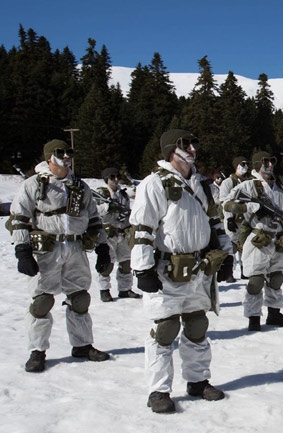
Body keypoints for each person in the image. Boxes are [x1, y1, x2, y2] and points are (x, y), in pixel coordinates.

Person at [129, 129, 227, 413]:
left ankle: (197, 380)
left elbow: (216, 224)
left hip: (198, 269)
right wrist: (143, 268)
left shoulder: (203, 185)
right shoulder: (154, 183)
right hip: (165, 271)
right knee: (165, 329)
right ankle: (158, 390)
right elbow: (143, 229)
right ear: (172, 149)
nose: (193, 149)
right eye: (186, 144)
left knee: (197, 326)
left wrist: (226, 255)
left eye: (195, 143)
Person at [9, 139, 111, 373]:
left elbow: (95, 219)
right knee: (42, 301)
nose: (66, 156)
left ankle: (82, 345)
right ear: (48, 158)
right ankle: (37, 351)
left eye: (69, 152)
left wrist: (102, 247)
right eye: (60, 153)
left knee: (80, 298)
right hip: (47, 251)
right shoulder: (34, 185)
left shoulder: (79, 186)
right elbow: (19, 217)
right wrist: (22, 250)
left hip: (75, 249)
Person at [223, 151, 283, 331]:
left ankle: (274, 313)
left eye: (272, 161)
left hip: (279, 238)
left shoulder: (281, 186)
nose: (270, 165)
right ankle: (253, 317)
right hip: (259, 237)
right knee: (256, 281)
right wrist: (252, 207)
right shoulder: (249, 186)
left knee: (276, 278)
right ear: (257, 164)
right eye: (266, 162)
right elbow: (227, 204)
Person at [96, 167, 141, 302]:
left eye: (117, 176)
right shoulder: (101, 193)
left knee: (126, 262)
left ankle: (125, 289)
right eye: (112, 177)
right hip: (108, 234)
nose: (116, 179)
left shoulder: (123, 194)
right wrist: (107, 207)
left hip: (123, 232)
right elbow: (94, 211)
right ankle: (104, 290)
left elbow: (127, 210)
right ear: (106, 179)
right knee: (107, 264)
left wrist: (126, 215)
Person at [217, 157, 252, 283]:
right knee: (231, 246)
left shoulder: (248, 182)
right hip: (232, 219)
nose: (246, 166)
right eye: (243, 164)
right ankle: (229, 272)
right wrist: (229, 218)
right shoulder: (228, 182)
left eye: (247, 164)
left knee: (245, 246)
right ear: (236, 166)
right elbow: (224, 202)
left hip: (245, 219)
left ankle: (245, 270)